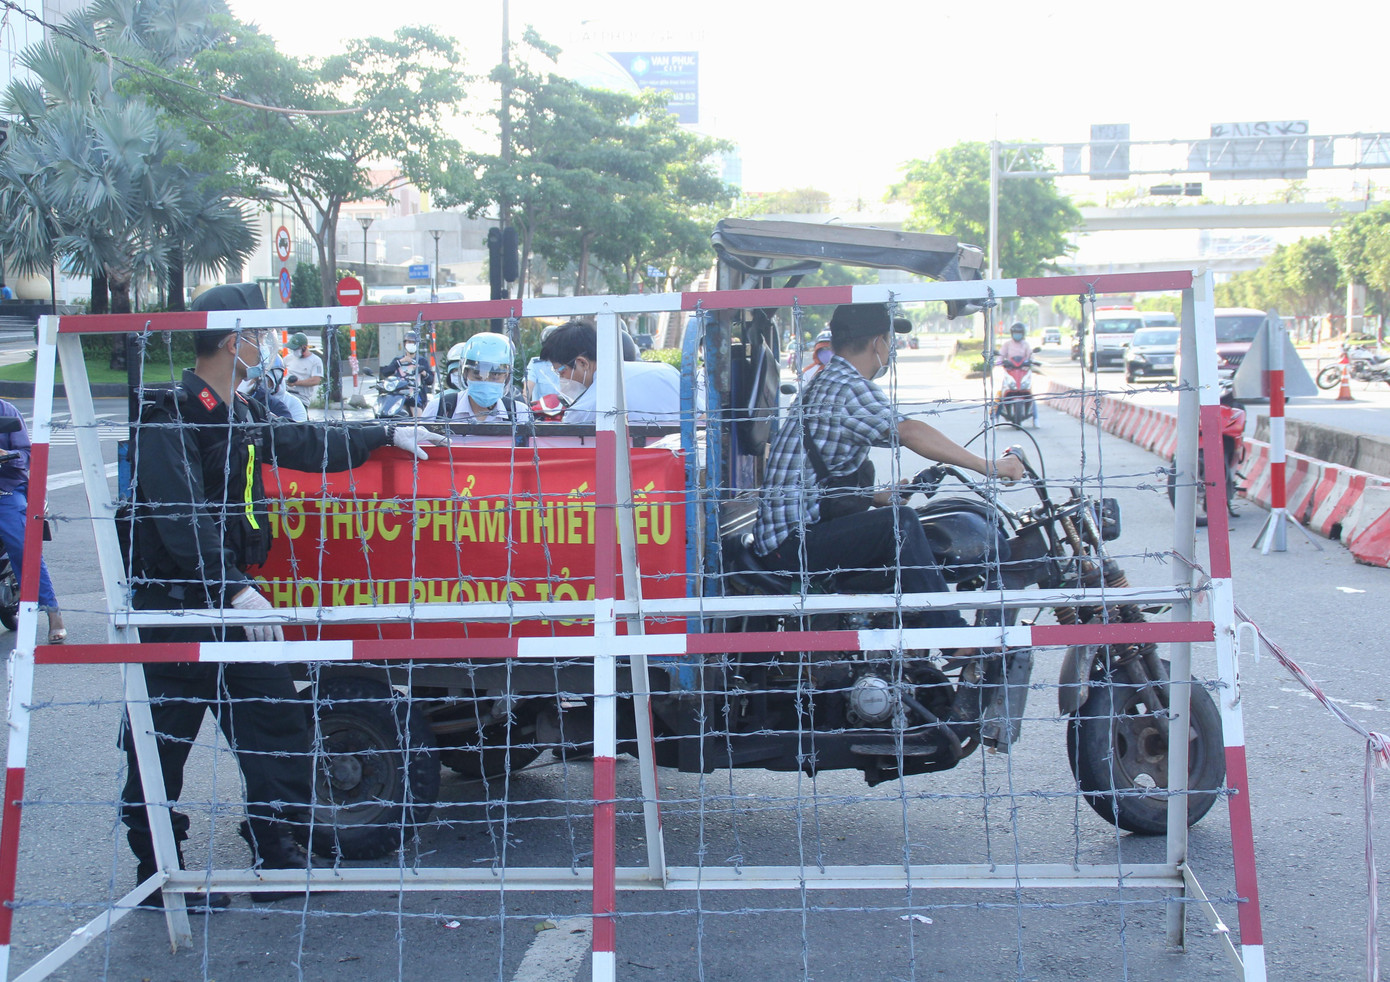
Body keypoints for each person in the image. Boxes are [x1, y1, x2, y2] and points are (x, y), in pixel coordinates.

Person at [121, 283, 444, 910]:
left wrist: (382, 434)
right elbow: (177, 515)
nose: (269, 346)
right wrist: (235, 588)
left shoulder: (240, 410)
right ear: (234, 338)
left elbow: (302, 445)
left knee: (275, 724)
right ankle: (159, 872)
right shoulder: (172, 413)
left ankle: (277, 850)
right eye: (262, 334)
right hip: (181, 607)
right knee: (160, 741)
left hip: (236, 601)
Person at [751, 303, 1024, 631]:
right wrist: (989, 466)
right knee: (903, 524)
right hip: (791, 544)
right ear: (877, 343)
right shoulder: (847, 386)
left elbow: (819, 466)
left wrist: (873, 497)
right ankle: (953, 634)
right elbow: (908, 431)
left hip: (793, 534)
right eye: (889, 340)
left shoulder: (829, 380)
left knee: (901, 522)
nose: (891, 348)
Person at [0, 400, 64, 643]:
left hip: (5, 488)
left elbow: (27, 454)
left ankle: (52, 611)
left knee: (22, 546)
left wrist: (7, 456)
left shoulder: (6, 412)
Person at [540, 319, 680, 425]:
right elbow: (701, 419)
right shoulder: (667, 371)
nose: (561, 380)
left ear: (583, 363)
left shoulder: (585, 410)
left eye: (561, 372)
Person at [421, 333, 531, 434]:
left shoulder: (519, 414)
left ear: (506, 377)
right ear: (465, 374)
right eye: (477, 375)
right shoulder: (439, 409)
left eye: (495, 376)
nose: (486, 382)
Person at [380, 331, 435, 415]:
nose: (411, 344)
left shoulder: (422, 361)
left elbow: (430, 380)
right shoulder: (398, 360)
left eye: (414, 342)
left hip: (415, 395)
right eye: (409, 342)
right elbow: (386, 372)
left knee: (418, 417)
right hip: (398, 395)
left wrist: (423, 372)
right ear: (405, 344)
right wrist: (401, 362)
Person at [282, 332, 324, 408]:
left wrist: (296, 383)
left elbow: (316, 380)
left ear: (304, 347)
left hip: (302, 398)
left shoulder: (316, 361)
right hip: (286, 395)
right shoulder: (288, 358)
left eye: (296, 348)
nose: (294, 351)